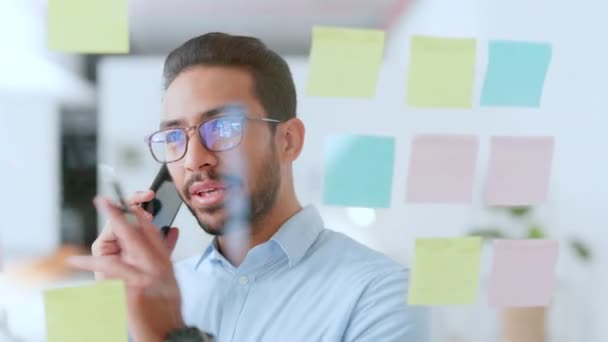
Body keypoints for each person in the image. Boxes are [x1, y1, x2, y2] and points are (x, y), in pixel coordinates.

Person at [69, 33, 429, 342]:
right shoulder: (158, 291)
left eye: (223, 128)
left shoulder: (382, 293)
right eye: (174, 136)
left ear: (287, 140)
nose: (195, 159)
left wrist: (172, 333)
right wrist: (112, 311)